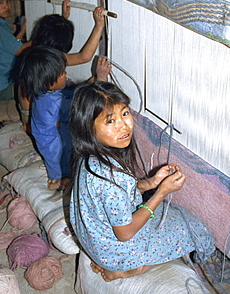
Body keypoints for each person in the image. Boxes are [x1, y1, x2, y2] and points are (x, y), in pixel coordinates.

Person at [69, 81, 215, 282]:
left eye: (125, 113)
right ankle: (130, 269)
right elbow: (125, 233)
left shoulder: (89, 160)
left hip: (94, 242)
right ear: (88, 127)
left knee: (173, 216)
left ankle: (110, 261)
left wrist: (152, 182)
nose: (124, 125)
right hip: (117, 250)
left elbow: (119, 194)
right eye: (110, 121)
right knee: (191, 228)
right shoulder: (112, 178)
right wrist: (161, 193)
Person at [19, 45, 111, 190]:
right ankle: (58, 182)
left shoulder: (43, 92)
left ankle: (56, 178)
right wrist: (101, 79)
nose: (65, 74)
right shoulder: (53, 103)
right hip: (54, 143)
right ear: (48, 80)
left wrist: (89, 83)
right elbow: (80, 104)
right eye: (61, 73)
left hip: (47, 137)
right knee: (64, 164)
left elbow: (70, 94)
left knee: (57, 162)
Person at [18, 0, 106, 132]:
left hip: (28, 108)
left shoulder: (33, 51)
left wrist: (63, 18)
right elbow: (84, 57)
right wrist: (99, 25)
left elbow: (54, 35)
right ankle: (29, 128)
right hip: (35, 116)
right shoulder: (50, 60)